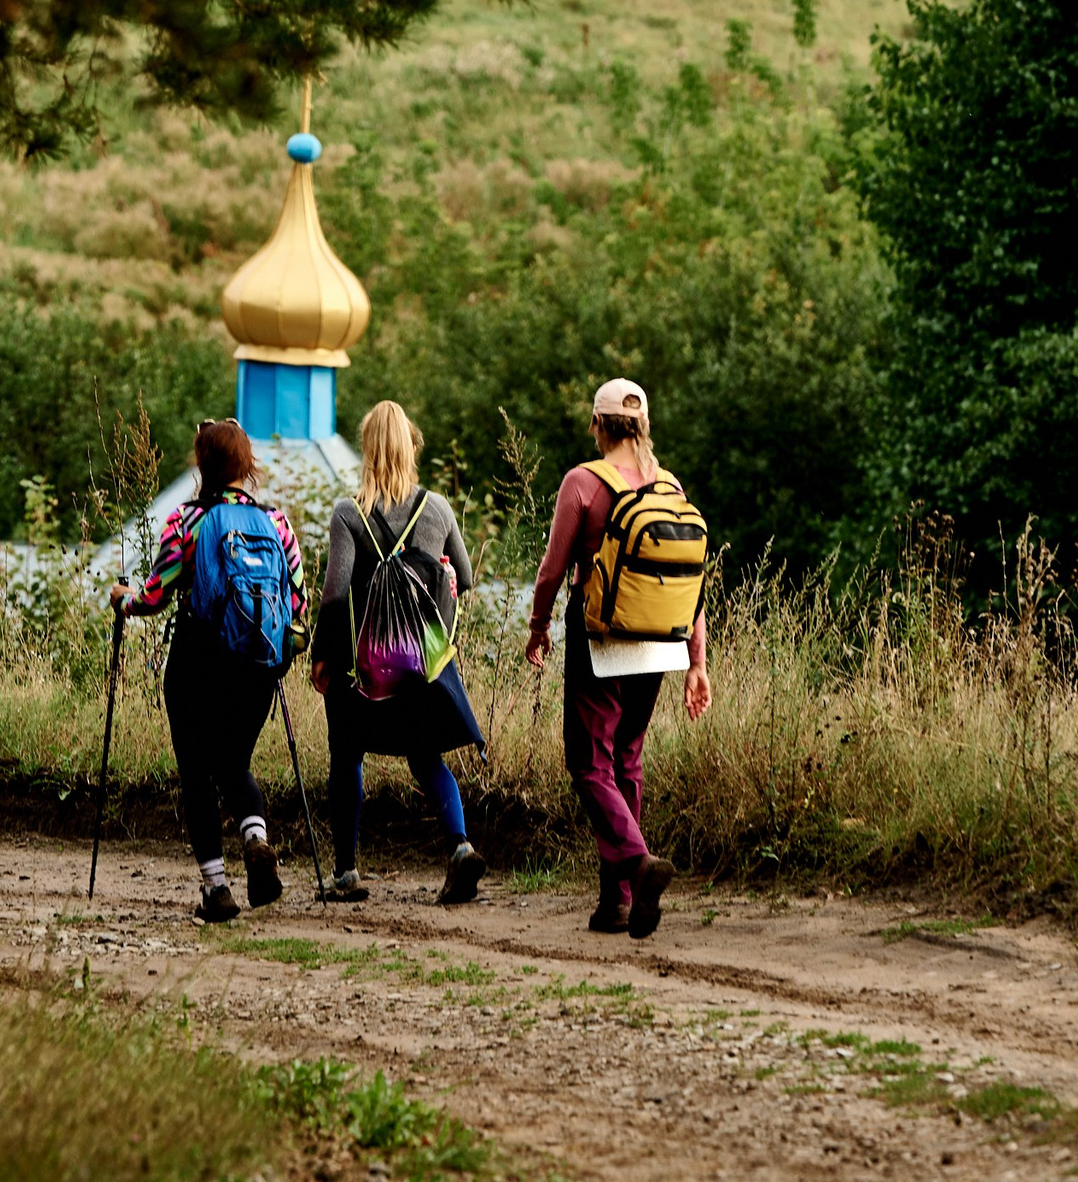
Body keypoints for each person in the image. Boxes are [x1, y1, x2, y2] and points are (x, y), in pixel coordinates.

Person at [524, 378, 711, 939]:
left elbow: (553, 572)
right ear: (644, 426)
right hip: (661, 640)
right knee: (626, 759)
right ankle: (617, 904)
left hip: (601, 636)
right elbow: (692, 581)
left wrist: (538, 629)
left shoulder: (582, 483)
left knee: (588, 763)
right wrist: (697, 661)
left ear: (598, 425)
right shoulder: (671, 487)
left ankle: (636, 863)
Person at [113, 419, 308, 923]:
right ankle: (257, 839)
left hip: (198, 662)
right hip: (258, 665)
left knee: (197, 773)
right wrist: (281, 655)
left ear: (203, 465)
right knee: (234, 763)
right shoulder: (278, 525)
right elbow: (299, 607)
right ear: (247, 466)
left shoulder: (184, 522)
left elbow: (156, 596)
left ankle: (217, 890)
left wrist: (124, 601)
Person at [309, 400, 487, 905]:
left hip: (359, 668)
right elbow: (467, 579)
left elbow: (336, 592)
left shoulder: (350, 513)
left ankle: (346, 873)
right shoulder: (437, 508)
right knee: (425, 756)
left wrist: (321, 654)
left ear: (367, 450)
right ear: (411, 447)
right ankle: (459, 848)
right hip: (420, 665)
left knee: (346, 757)